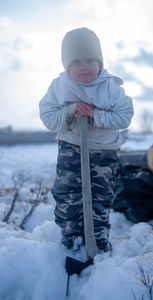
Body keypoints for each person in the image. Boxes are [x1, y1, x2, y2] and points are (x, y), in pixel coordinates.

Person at [39, 27, 133, 253]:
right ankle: (71, 235)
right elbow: (49, 118)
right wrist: (70, 110)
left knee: (101, 195)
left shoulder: (110, 87)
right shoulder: (60, 87)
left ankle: (98, 236)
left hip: (104, 150)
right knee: (68, 192)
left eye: (91, 59)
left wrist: (95, 115)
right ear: (66, 64)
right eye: (77, 61)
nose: (84, 66)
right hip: (71, 147)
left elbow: (124, 116)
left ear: (100, 62)